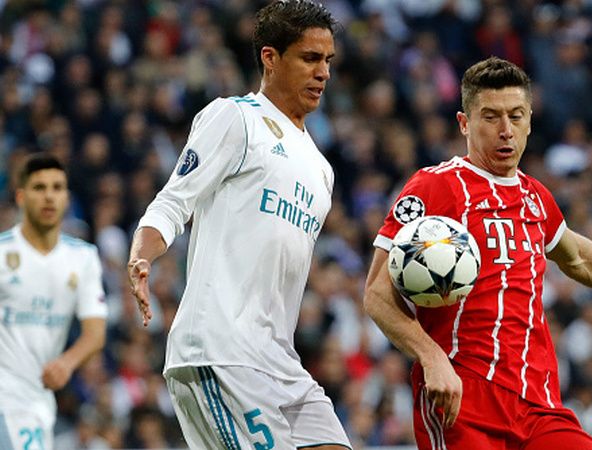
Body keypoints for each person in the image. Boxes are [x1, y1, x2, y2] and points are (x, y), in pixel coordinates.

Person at [363, 57, 592, 449]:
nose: (505, 130)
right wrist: (431, 358)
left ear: (530, 120)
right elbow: (377, 293)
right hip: (465, 399)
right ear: (464, 123)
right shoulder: (433, 188)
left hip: (539, 405)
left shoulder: (536, 197)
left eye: (516, 115)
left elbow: (574, 255)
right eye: (490, 117)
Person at [126, 1, 351, 449]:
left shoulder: (322, 170)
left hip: (281, 362)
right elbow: (173, 201)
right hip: (220, 351)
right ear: (271, 57)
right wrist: (141, 255)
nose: (323, 72)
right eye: (309, 58)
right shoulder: (236, 118)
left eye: (327, 60)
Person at [0, 153, 107, 450]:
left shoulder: (83, 257)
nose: (49, 196)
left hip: (40, 399)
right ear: (21, 197)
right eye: (39, 188)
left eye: (57, 188)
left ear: (67, 197)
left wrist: (67, 362)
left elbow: (95, 333)